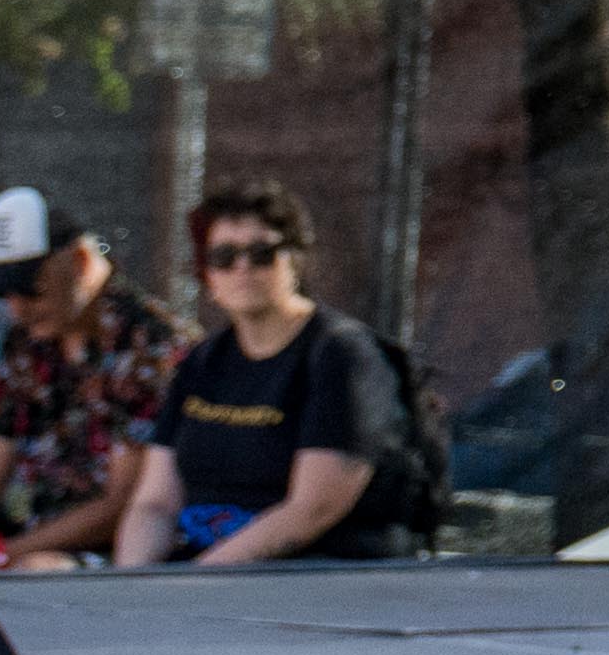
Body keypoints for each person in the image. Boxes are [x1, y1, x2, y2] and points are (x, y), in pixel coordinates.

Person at [93, 182, 421, 568]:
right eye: (224, 256)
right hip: (203, 575)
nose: (243, 267)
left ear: (294, 261)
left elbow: (313, 509)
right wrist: (133, 586)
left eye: (263, 253)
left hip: (311, 580)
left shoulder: (343, 356)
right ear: (207, 275)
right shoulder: (202, 362)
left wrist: (192, 585)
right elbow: (155, 503)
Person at [0, 189, 183, 572]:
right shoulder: (26, 343)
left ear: (80, 261)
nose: (15, 308)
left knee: (39, 568)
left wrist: (0, 556)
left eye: (30, 289)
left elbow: (121, 505)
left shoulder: (149, 346)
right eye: (3, 292)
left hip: (117, 563)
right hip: (21, 547)